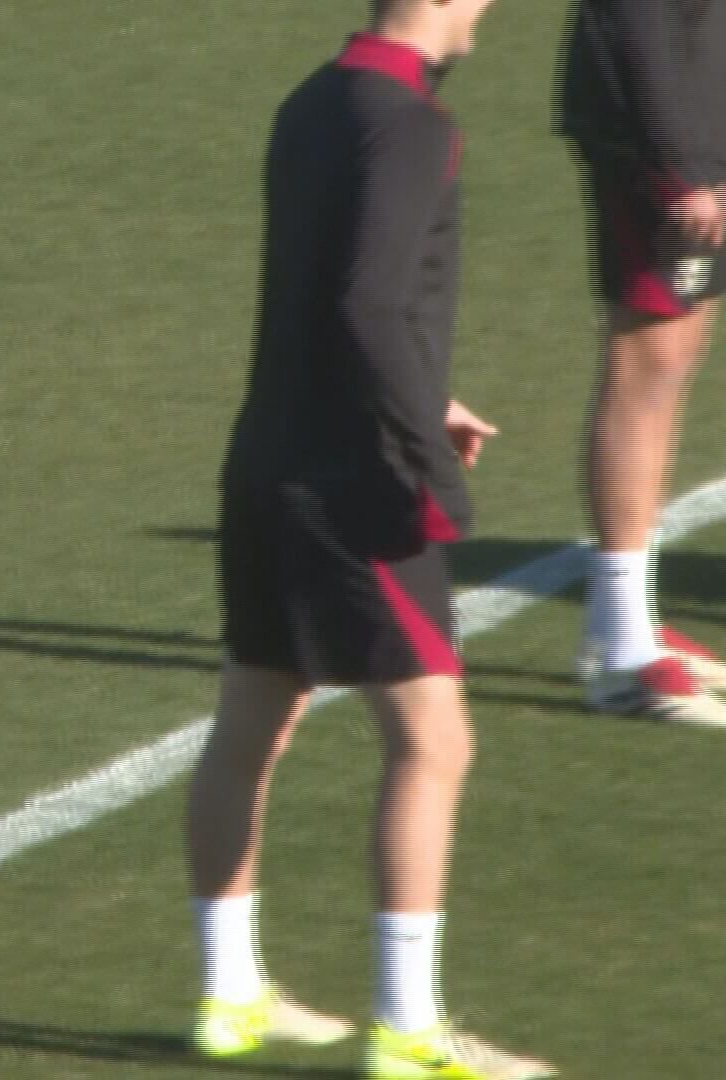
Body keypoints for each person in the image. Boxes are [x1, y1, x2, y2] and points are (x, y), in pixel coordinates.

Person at [184, 3, 555, 1077]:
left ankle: (230, 995)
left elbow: (327, 301)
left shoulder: (313, 101)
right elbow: (365, 307)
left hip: (267, 461)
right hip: (352, 485)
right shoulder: (407, 124)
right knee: (434, 743)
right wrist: (426, 465)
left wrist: (428, 399)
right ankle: (406, 1028)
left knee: (251, 719)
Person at [559, 0, 726, 726]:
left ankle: (624, 624)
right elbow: (632, 19)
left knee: (678, 352)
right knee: (648, 358)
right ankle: (621, 651)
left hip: (703, 121)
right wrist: (680, 168)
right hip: (661, 139)